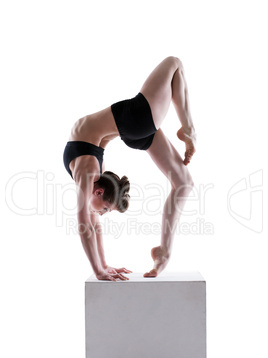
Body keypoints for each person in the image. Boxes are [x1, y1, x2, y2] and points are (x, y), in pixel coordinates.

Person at [63, 56, 196, 281]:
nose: (102, 215)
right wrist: (102, 267)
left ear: (99, 192)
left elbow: (85, 223)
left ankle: (189, 129)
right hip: (132, 126)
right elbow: (92, 223)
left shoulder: (87, 171)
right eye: (106, 210)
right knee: (183, 184)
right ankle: (188, 127)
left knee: (175, 62)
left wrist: (100, 269)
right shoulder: (94, 172)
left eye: (104, 210)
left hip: (135, 118)